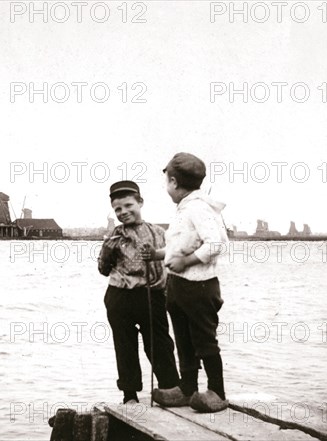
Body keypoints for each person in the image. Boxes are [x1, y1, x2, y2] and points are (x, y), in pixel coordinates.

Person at [142, 153, 229, 413]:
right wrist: (158, 254)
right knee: (183, 339)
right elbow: (179, 246)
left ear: (173, 182)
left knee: (204, 340)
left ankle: (217, 392)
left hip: (199, 287)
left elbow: (215, 244)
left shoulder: (199, 208)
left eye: (167, 181)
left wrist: (188, 261)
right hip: (179, 286)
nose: (166, 187)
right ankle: (187, 388)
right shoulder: (185, 208)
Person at [98, 180, 180, 404]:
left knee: (160, 343)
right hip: (120, 297)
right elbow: (103, 270)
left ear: (140, 202)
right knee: (124, 345)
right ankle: (130, 394)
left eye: (128, 205)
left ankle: (170, 388)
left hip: (152, 296)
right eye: (118, 209)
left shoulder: (158, 233)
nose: (123, 212)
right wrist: (108, 250)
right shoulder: (114, 236)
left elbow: (172, 259)